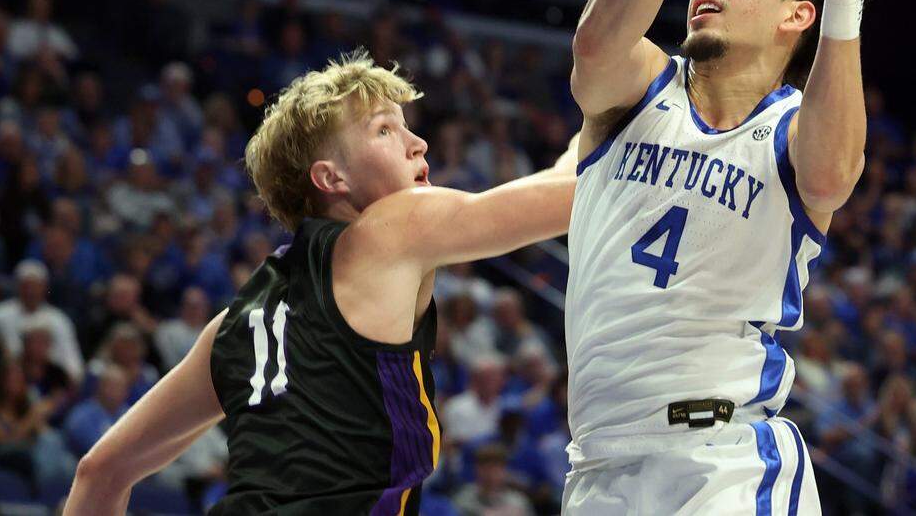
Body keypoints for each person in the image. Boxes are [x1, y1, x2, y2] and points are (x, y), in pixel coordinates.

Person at [563, 0, 908, 514]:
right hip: (597, 467)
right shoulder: (639, 90)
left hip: (723, 464)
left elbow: (831, 177)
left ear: (797, 14)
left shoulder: (794, 129)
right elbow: (593, 46)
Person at [64, 51, 576, 514]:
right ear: (332, 178)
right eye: (384, 130)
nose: (417, 143)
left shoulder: (233, 326)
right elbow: (573, 193)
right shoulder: (393, 227)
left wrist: (586, 138)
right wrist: (605, 107)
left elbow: (100, 471)